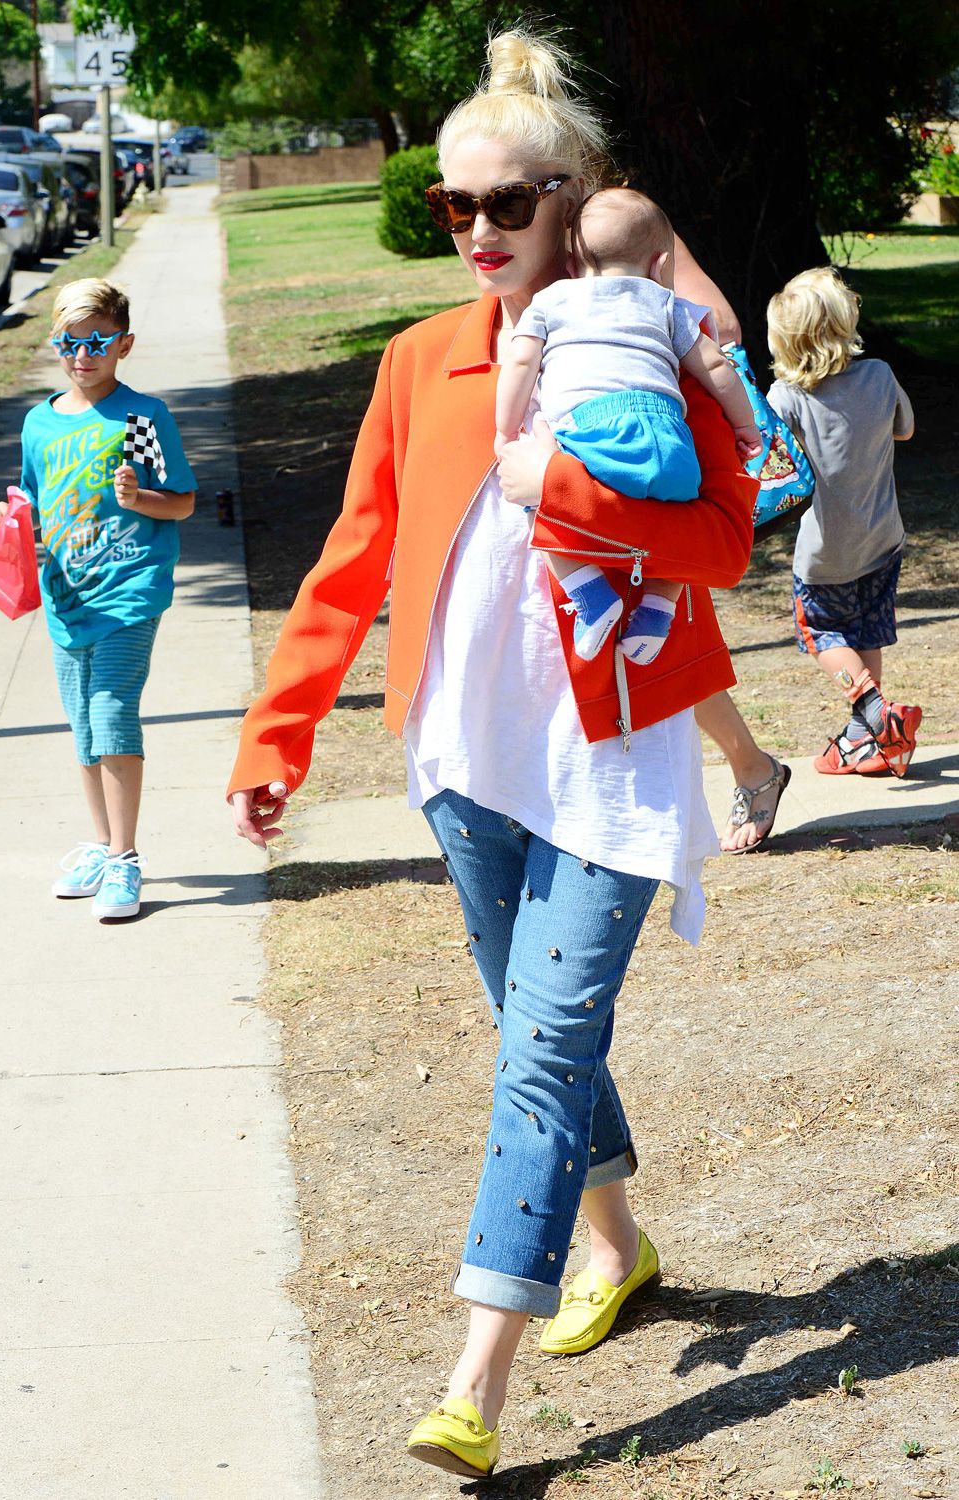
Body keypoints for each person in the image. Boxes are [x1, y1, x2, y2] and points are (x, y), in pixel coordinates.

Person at [228, 28, 756, 1479]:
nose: (476, 233)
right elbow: (353, 559)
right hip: (466, 764)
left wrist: (567, 476)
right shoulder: (418, 364)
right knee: (544, 1040)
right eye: (455, 209)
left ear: (577, 195)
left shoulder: (656, 348)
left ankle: (475, 1378)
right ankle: (619, 1249)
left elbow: (723, 537)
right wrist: (278, 737)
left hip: (617, 763)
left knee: (538, 1055)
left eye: (507, 205)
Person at [0, 277, 197, 918]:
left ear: (124, 344)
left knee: (110, 714)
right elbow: (32, 507)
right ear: (56, 344)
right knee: (83, 730)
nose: (84, 354)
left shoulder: (139, 418)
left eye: (99, 340)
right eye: (70, 342)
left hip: (129, 593)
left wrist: (140, 499)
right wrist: (6, 520)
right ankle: (102, 846)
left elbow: (181, 500)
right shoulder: (40, 424)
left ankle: (127, 860)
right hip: (66, 597)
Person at [494, 185, 760, 663]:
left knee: (540, 501)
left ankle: (591, 596)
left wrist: (504, 428)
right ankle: (658, 607)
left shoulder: (553, 300)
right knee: (682, 514)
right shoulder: (667, 305)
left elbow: (520, 364)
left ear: (572, 265)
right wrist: (746, 427)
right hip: (669, 437)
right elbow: (717, 367)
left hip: (589, 433)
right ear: (659, 264)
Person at [765, 267, 920, 777]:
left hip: (825, 552)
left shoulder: (785, 399)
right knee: (866, 633)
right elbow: (906, 429)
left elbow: (773, 467)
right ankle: (867, 740)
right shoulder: (878, 375)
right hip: (883, 540)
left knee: (825, 635)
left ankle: (879, 716)